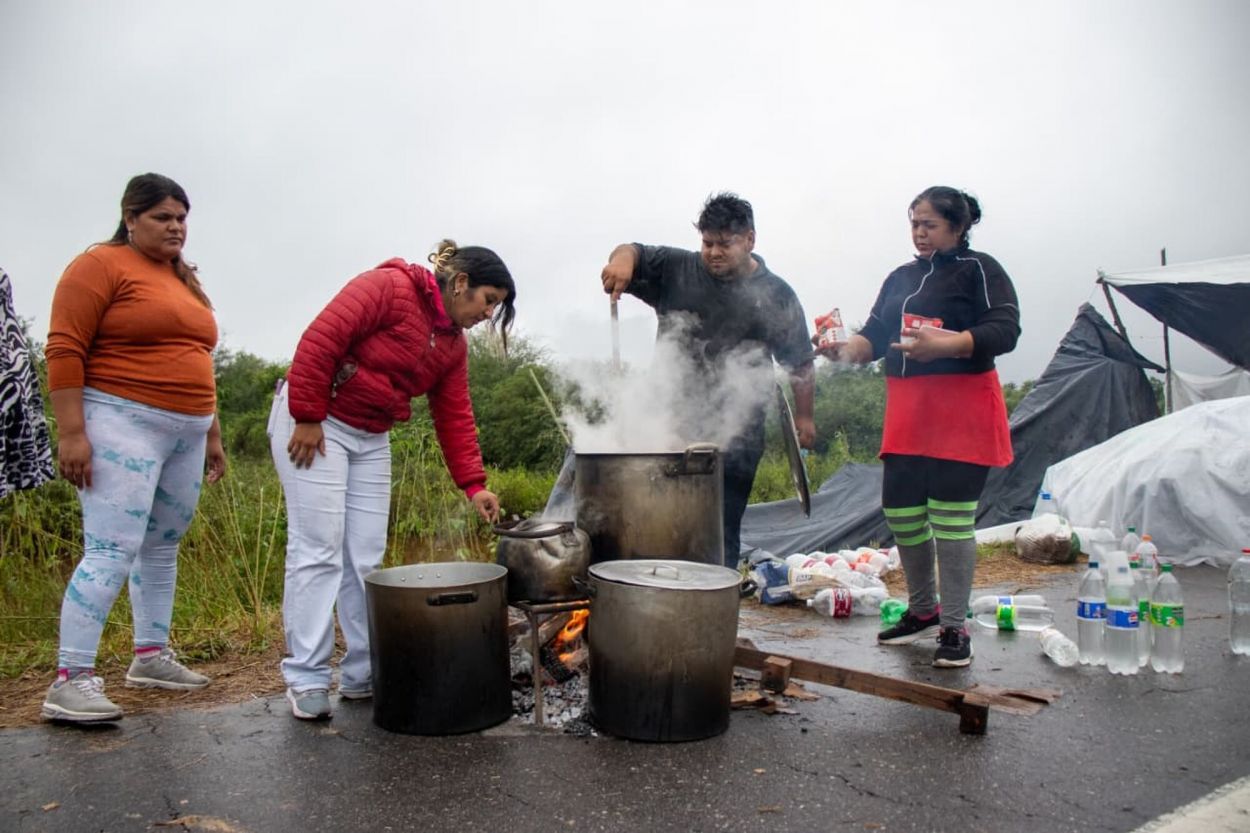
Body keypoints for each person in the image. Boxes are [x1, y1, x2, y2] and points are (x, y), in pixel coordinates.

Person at [270, 240, 514, 720]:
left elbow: (454, 415)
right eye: (488, 300)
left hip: (371, 435)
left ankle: (363, 672)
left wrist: (473, 484)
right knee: (317, 549)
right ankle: (307, 677)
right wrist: (306, 414)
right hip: (318, 425)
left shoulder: (452, 345)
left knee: (365, 558)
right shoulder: (389, 288)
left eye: (497, 307)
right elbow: (322, 339)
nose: (488, 314)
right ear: (461, 283)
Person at [42, 173, 226, 723]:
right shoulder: (98, 265)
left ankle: (151, 655)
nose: (176, 227)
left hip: (187, 431)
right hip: (121, 421)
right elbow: (64, 347)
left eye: (182, 218)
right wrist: (72, 432)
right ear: (131, 217)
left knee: (162, 545)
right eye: (163, 217)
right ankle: (70, 679)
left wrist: (212, 434)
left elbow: (199, 354)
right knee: (111, 547)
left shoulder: (181, 277)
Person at [815, 186, 1019, 667]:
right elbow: (875, 337)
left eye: (929, 224)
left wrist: (947, 345)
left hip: (962, 405)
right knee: (902, 513)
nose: (920, 233)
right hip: (908, 407)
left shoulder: (980, 270)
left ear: (958, 226)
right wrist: (843, 351)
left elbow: (1006, 330)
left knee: (951, 518)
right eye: (914, 224)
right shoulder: (900, 277)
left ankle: (954, 626)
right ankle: (923, 611)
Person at [600, 193, 815, 568]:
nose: (713, 252)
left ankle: (715, 617)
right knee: (660, 523)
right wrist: (620, 261)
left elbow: (800, 362)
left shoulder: (776, 294)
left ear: (749, 239)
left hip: (738, 433)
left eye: (724, 243)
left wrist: (805, 418)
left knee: (720, 530)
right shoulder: (678, 267)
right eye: (707, 243)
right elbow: (633, 251)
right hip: (668, 423)